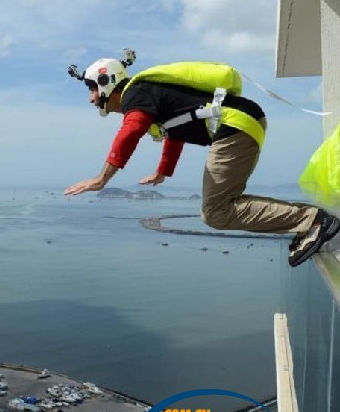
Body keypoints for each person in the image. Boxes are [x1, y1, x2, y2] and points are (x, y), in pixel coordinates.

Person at [64, 50, 340, 267]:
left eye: (91, 89)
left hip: (234, 126)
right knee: (221, 207)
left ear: (105, 82)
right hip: (242, 123)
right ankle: (310, 222)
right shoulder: (146, 94)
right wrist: (164, 172)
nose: (91, 99)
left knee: (216, 211)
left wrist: (102, 178)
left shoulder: (135, 95)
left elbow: (131, 130)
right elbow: (175, 131)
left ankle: (315, 221)